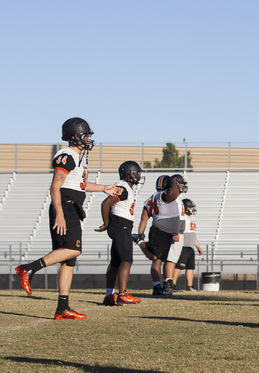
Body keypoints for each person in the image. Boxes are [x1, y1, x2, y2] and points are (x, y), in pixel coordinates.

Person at [15, 117, 118, 320]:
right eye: (85, 135)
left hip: (72, 204)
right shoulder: (67, 155)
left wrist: (104, 188)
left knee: (69, 259)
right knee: (73, 248)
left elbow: (80, 184)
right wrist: (60, 213)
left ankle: (62, 307)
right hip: (66, 204)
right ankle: (28, 268)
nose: (89, 138)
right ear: (75, 136)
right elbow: (55, 185)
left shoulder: (79, 157)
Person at [95, 161, 144, 306]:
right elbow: (105, 203)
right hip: (120, 225)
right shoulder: (124, 188)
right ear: (130, 174)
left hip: (119, 226)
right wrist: (106, 223)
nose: (139, 175)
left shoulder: (126, 188)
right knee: (126, 259)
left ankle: (109, 295)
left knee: (115, 263)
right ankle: (123, 293)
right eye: (137, 173)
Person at [137, 174, 181, 295]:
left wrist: (140, 233)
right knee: (157, 259)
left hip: (159, 230)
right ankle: (157, 287)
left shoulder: (151, 198)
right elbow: (172, 194)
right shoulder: (164, 196)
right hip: (161, 232)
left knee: (160, 259)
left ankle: (159, 286)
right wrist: (175, 181)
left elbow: (144, 219)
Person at [172, 198, 204, 291]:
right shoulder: (183, 218)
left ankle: (189, 286)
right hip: (183, 246)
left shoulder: (191, 219)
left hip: (190, 247)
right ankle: (172, 284)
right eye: (189, 207)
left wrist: (198, 247)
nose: (191, 209)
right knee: (179, 266)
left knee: (190, 267)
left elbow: (193, 235)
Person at [164, 174, 189, 293]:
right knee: (170, 259)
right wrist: (175, 231)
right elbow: (173, 217)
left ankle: (171, 284)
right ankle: (167, 284)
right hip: (175, 232)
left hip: (179, 232)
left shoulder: (178, 200)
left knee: (173, 259)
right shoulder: (173, 199)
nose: (183, 186)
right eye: (181, 183)